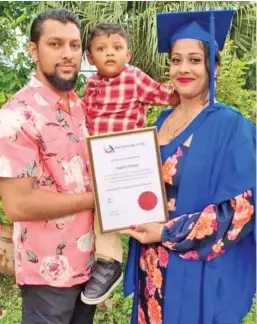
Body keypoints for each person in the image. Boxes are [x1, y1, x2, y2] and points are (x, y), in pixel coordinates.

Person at [122, 9, 256, 324]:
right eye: (176, 59)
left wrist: (167, 231)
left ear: (214, 67)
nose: (183, 68)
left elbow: (244, 207)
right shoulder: (162, 120)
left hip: (196, 270)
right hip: (151, 263)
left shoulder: (232, 126)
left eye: (195, 60)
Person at [0, 9, 97, 324]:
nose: (68, 54)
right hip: (48, 273)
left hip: (89, 264)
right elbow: (18, 204)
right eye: (55, 44)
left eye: (74, 45)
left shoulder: (76, 106)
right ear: (33, 50)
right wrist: (100, 198)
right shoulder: (17, 116)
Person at [81, 23, 180, 305]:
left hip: (130, 158)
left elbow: (165, 96)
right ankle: (101, 259)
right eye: (101, 49)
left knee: (132, 208)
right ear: (90, 58)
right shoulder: (91, 86)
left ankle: (125, 261)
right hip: (100, 159)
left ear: (129, 54)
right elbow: (83, 118)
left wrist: (188, 86)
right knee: (98, 207)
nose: (109, 54)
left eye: (117, 48)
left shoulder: (134, 77)